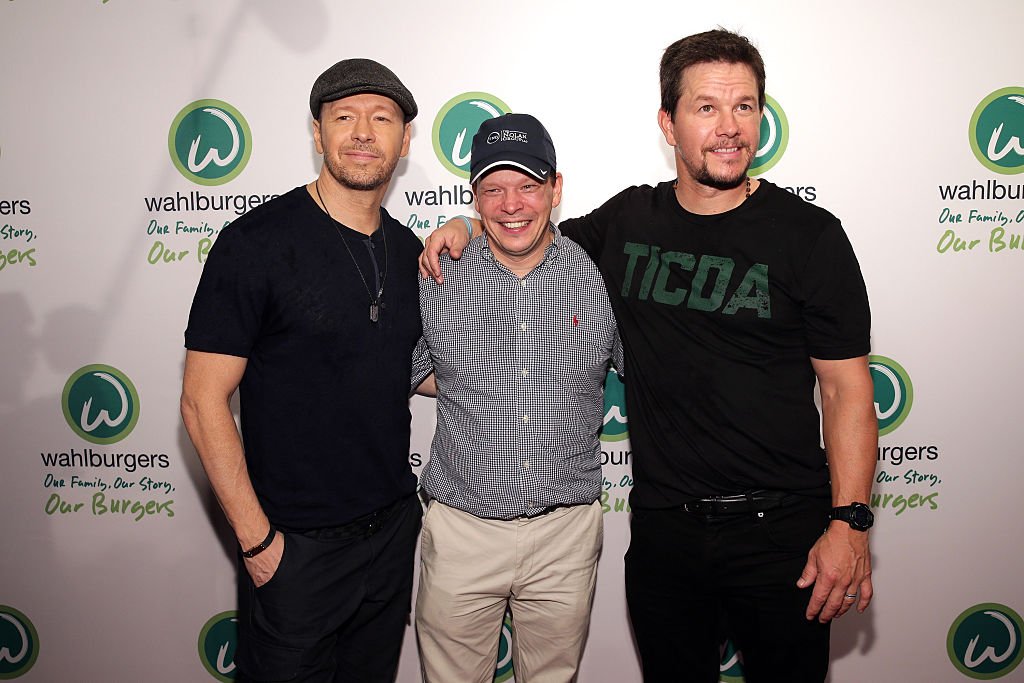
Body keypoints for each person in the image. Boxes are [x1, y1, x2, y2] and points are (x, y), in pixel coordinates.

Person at [419, 30, 876, 682]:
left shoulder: (812, 235)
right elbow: (523, 235)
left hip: (782, 534)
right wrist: (464, 226)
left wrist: (850, 522)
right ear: (668, 122)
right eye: (707, 108)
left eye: (744, 107)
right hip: (666, 538)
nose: (728, 128)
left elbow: (847, 392)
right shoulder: (627, 222)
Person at [181, 58, 429, 682]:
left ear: (404, 141)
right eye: (343, 117)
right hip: (296, 550)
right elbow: (201, 401)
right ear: (318, 134)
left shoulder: (407, 252)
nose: (363, 132)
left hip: (391, 537)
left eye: (382, 118)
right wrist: (260, 546)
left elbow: (407, 367)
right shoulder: (255, 243)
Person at [414, 113, 622, 683]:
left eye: (528, 185)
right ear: (474, 196)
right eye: (493, 189)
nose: (511, 205)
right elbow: (407, 370)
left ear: (556, 188)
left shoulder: (598, 273)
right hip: (462, 530)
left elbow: (649, 371)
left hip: (564, 534)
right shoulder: (439, 272)